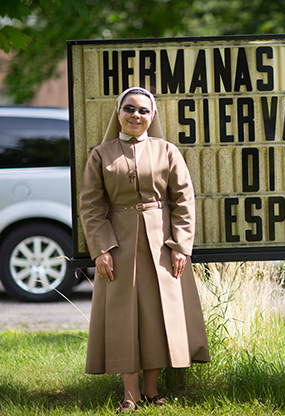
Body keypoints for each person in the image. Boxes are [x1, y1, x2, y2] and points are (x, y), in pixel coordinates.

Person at [79, 87, 211, 412]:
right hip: (118, 245)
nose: (136, 116)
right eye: (129, 109)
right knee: (125, 319)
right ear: (119, 114)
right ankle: (130, 394)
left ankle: (151, 391)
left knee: (156, 317)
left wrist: (181, 245)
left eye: (143, 110)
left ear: (152, 117)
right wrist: (101, 249)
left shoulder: (167, 151)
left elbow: (183, 200)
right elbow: (91, 206)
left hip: (162, 246)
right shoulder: (101, 154)